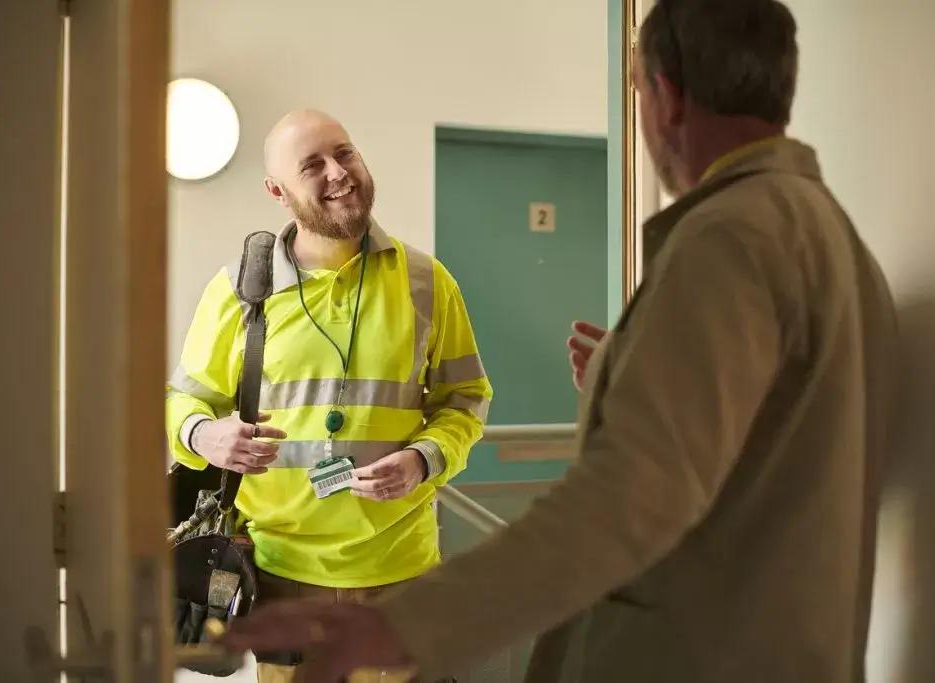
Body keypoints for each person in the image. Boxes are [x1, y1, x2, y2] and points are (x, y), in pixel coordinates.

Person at [220, 1, 898, 681]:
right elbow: (767, 438)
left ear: (663, 95)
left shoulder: (726, 241)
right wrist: (625, 369)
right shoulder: (833, 237)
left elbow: (628, 499)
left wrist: (400, 624)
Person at [165, 108, 492, 683]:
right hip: (279, 575)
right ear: (278, 191)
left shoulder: (427, 281)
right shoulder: (241, 289)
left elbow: (465, 400)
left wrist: (424, 459)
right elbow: (182, 402)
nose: (338, 173)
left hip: (402, 572)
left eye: (345, 153)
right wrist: (205, 434)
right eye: (312, 165)